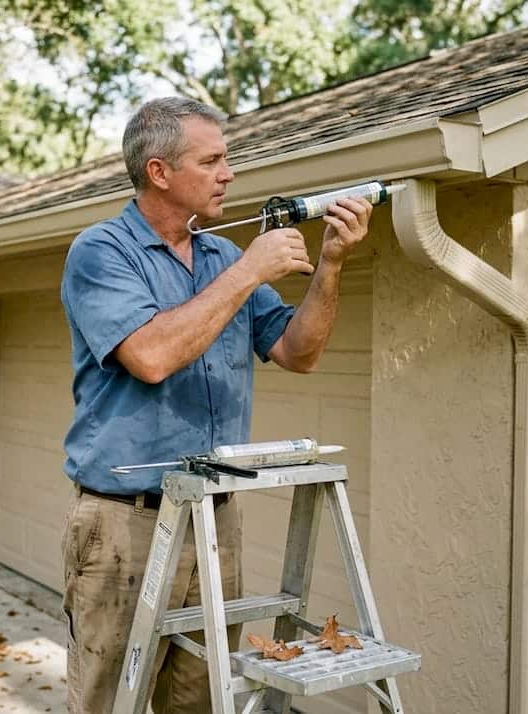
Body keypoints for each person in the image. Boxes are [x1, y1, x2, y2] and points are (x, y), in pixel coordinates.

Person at [59, 96, 373, 713]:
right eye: (213, 160)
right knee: (107, 701)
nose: (230, 173)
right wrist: (249, 272)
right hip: (126, 522)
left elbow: (297, 351)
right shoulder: (101, 252)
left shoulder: (221, 257)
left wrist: (331, 262)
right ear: (159, 172)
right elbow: (149, 357)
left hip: (211, 517)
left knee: (203, 700)